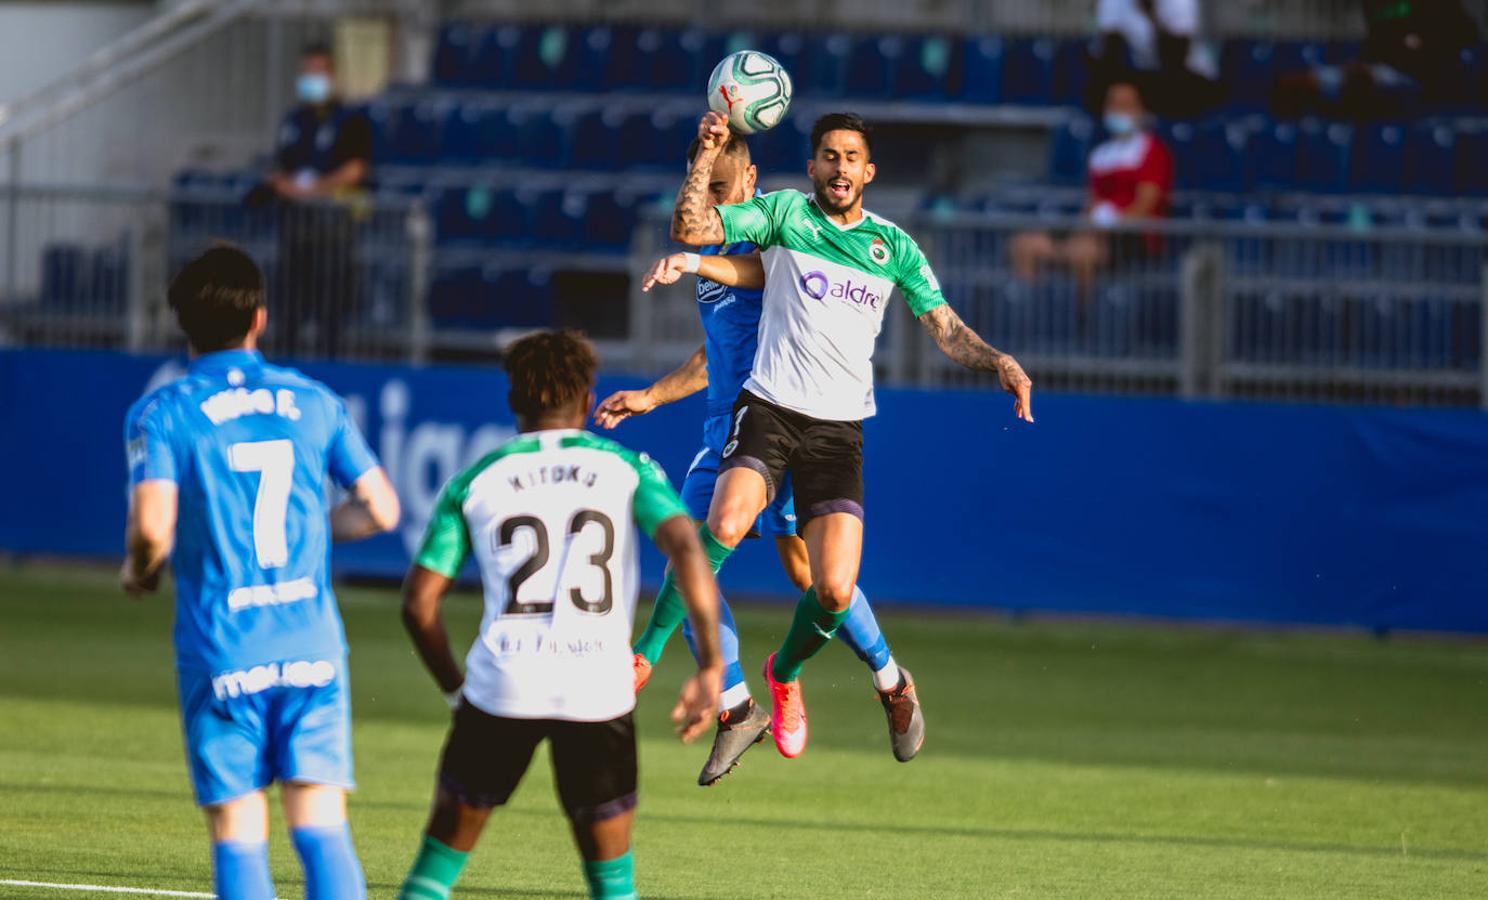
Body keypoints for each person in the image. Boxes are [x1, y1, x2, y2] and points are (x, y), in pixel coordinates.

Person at [668, 110, 1033, 759]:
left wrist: (997, 360)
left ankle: (796, 674)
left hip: (836, 433)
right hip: (767, 411)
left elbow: (944, 327)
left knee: (825, 585)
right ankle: (728, 698)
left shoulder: (894, 247)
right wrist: (707, 152)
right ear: (812, 168)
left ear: (870, 171)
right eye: (828, 156)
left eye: (851, 157)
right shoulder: (782, 215)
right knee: (712, 537)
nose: (840, 167)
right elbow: (697, 231)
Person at [594, 133, 913, 780]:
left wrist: (697, 260)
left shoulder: (780, 228)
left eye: (721, 187)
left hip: (789, 420)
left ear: (753, 178)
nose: (712, 203)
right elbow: (718, 349)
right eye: (703, 186)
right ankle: (738, 707)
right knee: (691, 560)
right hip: (727, 431)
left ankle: (877, 674)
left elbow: (778, 286)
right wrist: (654, 396)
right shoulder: (718, 239)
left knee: (813, 580)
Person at [395, 330, 722, 900]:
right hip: (596, 688)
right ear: (588, 394)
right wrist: (712, 665)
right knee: (612, 886)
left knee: (432, 878)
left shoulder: (476, 481)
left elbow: (419, 604)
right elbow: (688, 547)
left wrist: (457, 692)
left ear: (514, 400)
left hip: (501, 687)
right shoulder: (625, 468)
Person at [120, 244, 401, 900]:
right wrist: (310, 532)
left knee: (239, 826)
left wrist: (141, 568)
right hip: (312, 648)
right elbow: (382, 509)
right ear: (261, 319)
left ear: (184, 325)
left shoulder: (163, 412)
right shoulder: (314, 400)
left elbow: (152, 529)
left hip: (225, 649)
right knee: (323, 826)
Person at [1011, 81, 1173, 302]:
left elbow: (1145, 204)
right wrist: (1083, 229)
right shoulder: (1100, 155)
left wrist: (1106, 230)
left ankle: (1082, 325)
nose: (1118, 110)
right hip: (1094, 232)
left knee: (1083, 252)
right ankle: (1032, 316)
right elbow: (1092, 203)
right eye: (1113, 104)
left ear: (1141, 111)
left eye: (1126, 105)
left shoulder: (1152, 150)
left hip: (1132, 236)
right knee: (1025, 244)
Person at [265, 42, 374, 359]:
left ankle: (330, 372)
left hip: (334, 232)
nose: (311, 78)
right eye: (306, 71)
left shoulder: (350, 120)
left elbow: (356, 170)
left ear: (332, 76)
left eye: (318, 71)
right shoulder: (294, 121)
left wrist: (312, 190)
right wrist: (283, 184)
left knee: (331, 311)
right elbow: (280, 167)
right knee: (290, 310)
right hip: (296, 230)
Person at [1270, 0, 1480, 119]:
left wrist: (1425, 42)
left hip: (1412, 76)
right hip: (1373, 66)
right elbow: (1377, 42)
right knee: (1292, 82)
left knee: (1362, 80)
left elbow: (1468, 33)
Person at [1090, 0, 1223, 118]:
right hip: (1144, 74)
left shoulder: (1180, 3)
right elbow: (1110, 51)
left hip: (1189, 74)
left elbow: (1174, 59)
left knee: (1176, 88)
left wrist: (1150, 12)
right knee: (1100, 89)